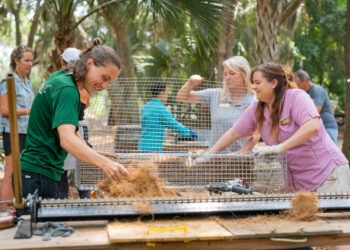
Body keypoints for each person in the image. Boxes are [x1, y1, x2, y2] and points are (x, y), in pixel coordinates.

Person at [209, 62, 349, 193]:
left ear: (274, 83)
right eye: (253, 83)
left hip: (328, 176)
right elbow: (234, 133)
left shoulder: (296, 97)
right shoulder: (257, 107)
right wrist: (209, 154)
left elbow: (313, 126)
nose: (254, 87)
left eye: (258, 83)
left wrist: (280, 148)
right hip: (299, 185)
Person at [20, 39, 128, 199]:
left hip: (38, 170)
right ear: (90, 64)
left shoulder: (63, 76)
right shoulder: (68, 90)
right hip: (40, 173)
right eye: (104, 78)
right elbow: (67, 139)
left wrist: (94, 154)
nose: (105, 86)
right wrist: (105, 164)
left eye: (109, 82)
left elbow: (73, 130)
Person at [176, 56, 256, 152]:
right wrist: (190, 84)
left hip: (240, 160)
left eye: (232, 73)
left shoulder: (254, 100)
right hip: (214, 157)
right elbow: (182, 97)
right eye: (225, 74)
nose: (227, 78)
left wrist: (240, 154)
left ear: (244, 75)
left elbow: (256, 134)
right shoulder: (215, 94)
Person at [48, 47, 91, 199]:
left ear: (63, 62)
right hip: (77, 126)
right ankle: (84, 199)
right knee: (80, 167)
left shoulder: (62, 82)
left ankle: (62, 199)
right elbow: (86, 103)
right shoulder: (80, 84)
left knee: (64, 169)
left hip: (69, 127)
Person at [0, 45, 34, 202]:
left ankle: (17, 207)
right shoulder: (8, 81)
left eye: (31, 60)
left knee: (21, 173)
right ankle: (4, 211)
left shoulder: (27, 83)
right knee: (10, 173)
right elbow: (5, 110)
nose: (30, 63)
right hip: (12, 133)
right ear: (16, 61)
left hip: (26, 133)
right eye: (26, 60)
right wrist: (28, 111)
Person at [138, 82, 197, 152]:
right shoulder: (160, 108)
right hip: (153, 148)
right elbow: (173, 124)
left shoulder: (145, 107)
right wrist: (189, 132)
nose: (168, 94)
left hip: (142, 146)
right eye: (166, 92)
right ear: (162, 93)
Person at [294, 69, 338, 143]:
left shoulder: (317, 90)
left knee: (329, 154)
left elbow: (315, 111)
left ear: (306, 81)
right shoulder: (305, 93)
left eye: (298, 85)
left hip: (327, 127)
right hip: (319, 128)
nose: (297, 87)